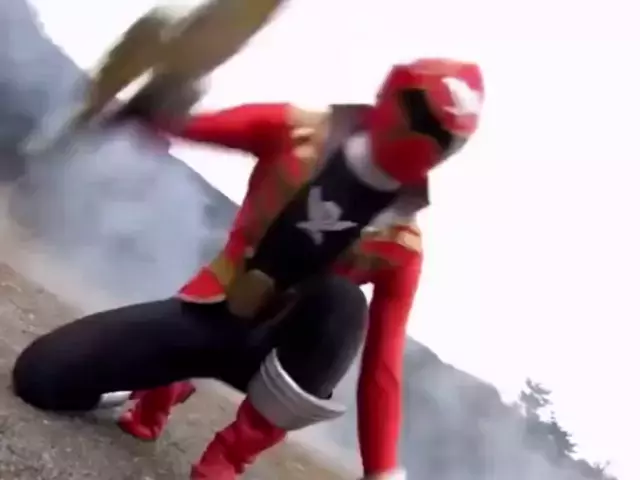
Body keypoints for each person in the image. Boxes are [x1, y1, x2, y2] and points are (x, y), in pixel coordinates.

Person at [12, 58, 484, 480]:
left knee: (343, 305)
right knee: (40, 377)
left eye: (438, 134)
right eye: (416, 112)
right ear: (392, 91)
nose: (417, 135)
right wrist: (152, 105)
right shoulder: (299, 131)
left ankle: (226, 459)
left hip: (273, 353)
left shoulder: (399, 246)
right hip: (211, 315)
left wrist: (381, 471)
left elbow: (382, 366)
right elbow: (194, 127)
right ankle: (149, 390)